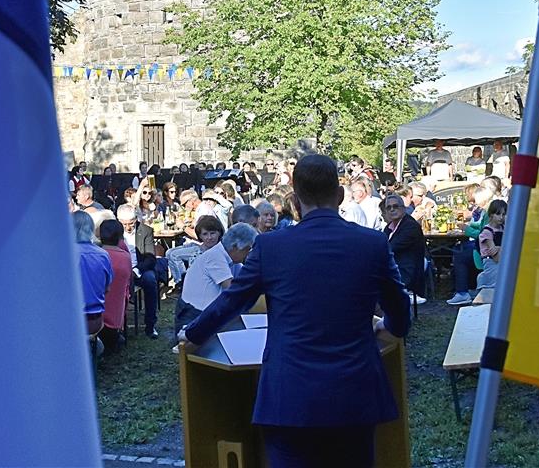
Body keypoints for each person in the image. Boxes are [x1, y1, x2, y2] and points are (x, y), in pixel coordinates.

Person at [178, 154, 411, 467]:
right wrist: (389, 328)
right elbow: (400, 311)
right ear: (340, 195)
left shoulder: (271, 246)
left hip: (290, 393)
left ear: (296, 200)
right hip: (354, 390)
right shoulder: (373, 243)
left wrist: (193, 334)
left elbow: (234, 299)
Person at [174, 223, 258, 340]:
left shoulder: (225, 257)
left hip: (201, 314)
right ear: (235, 247)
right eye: (248, 249)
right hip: (193, 317)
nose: (248, 254)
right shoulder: (216, 257)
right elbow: (233, 293)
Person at [117, 204, 165, 338]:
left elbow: (150, 258)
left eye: (131, 223)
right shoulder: (115, 231)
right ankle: (116, 326)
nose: (127, 227)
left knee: (150, 280)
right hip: (121, 269)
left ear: (136, 219)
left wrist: (136, 270)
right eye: (124, 224)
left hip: (140, 268)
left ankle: (150, 324)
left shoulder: (145, 230)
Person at [446, 186, 494, 305]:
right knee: (459, 247)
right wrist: (468, 225)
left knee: (460, 253)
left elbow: (484, 234)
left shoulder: (489, 211)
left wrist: (467, 229)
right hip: (483, 244)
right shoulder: (487, 209)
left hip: (486, 247)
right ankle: (467, 287)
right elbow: (481, 227)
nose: (474, 202)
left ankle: (462, 292)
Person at [74, 210, 112, 337]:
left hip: (71, 320)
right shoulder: (103, 255)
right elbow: (107, 288)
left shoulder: (63, 255)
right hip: (95, 319)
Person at [382, 194, 426, 303]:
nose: (392, 210)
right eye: (389, 208)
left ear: (403, 208)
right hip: (392, 268)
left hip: (407, 273)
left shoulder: (410, 226)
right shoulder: (388, 228)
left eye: (395, 206)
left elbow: (389, 248)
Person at [98, 219, 133, 353]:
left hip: (95, 319)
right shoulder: (125, 257)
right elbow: (128, 284)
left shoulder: (96, 256)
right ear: (120, 237)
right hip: (115, 321)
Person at [165, 214, 225, 289]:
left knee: (174, 254)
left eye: (212, 233)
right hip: (195, 288)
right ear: (200, 236)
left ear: (219, 233)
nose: (209, 237)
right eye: (205, 234)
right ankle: (180, 283)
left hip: (212, 289)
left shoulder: (223, 252)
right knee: (170, 252)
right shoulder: (197, 254)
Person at [475, 199, 507, 292]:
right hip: (491, 264)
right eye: (498, 214)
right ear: (491, 214)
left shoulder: (504, 229)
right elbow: (496, 257)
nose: (501, 217)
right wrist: (504, 249)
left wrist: (500, 248)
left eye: (504, 214)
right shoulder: (487, 232)